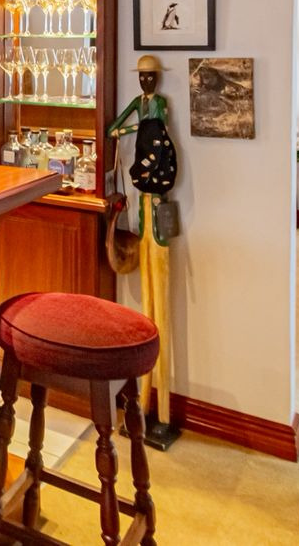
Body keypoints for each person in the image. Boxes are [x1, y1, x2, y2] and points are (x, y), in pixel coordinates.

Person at [108, 55, 179, 440]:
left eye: (151, 77)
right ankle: (147, 402)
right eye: (143, 77)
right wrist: (126, 130)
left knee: (159, 297)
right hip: (142, 200)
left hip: (157, 197)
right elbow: (115, 127)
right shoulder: (139, 102)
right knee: (148, 299)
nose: (147, 83)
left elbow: (154, 130)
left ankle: (162, 407)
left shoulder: (159, 106)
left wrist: (133, 129)